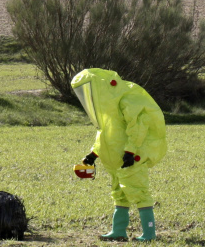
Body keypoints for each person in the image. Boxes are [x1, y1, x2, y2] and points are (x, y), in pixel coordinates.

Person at [71, 68, 167, 242]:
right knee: (119, 194)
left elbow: (137, 128)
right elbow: (105, 136)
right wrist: (93, 154)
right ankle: (119, 231)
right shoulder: (107, 114)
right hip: (116, 161)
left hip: (131, 158)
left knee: (139, 192)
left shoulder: (126, 101)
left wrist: (130, 151)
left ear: (98, 89)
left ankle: (149, 234)